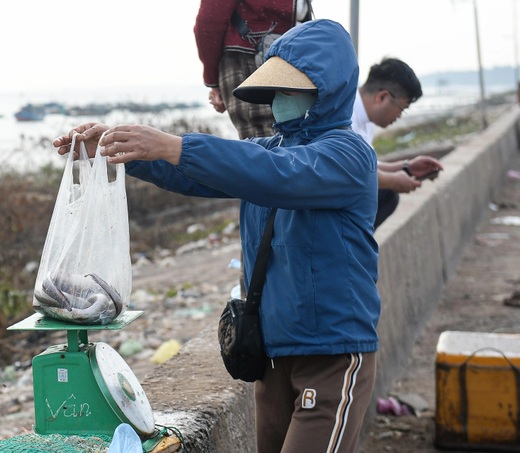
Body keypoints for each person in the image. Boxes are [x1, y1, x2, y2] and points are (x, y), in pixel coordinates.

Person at [54, 19, 380, 452]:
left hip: (333, 355)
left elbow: (273, 175)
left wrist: (175, 144)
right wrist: (126, 152)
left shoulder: (348, 155)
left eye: (291, 88)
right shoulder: (275, 148)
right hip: (276, 354)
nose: (279, 100)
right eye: (276, 89)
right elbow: (212, 173)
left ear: (327, 90)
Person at [194, 0, 313, 139]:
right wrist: (214, 81)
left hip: (290, 58)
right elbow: (209, 21)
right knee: (265, 142)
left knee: (286, 141)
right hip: (247, 58)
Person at [352, 57, 444, 229]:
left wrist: (406, 167)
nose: (399, 116)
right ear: (382, 97)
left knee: (387, 196)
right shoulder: (346, 115)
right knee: (386, 195)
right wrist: (392, 180)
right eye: (402, 109)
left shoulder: (366, 119)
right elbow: (349, 171)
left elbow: (367, 166)